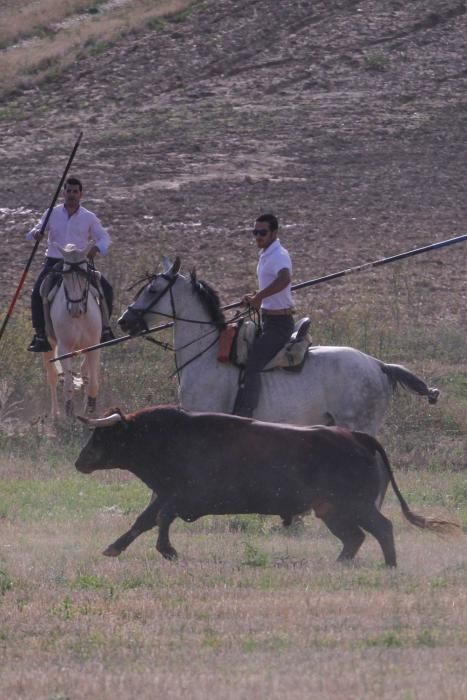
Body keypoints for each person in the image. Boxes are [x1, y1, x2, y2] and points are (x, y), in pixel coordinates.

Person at [25, 176, 115, 352]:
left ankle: (105, 330)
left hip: (80, 262)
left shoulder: (89, 217)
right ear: (63, 192)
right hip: (55, 261)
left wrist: (96, 248)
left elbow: (105, 238)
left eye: (75, 192)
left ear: (81, 194)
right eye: (69, 191)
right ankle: (41, 335)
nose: (72, 195)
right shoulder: (52, 213)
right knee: (37, 293)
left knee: (107, 289)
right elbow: (35, 230)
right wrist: (37, 233)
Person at [233, 213, 294, 417]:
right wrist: (254, 297)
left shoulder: (279, 255)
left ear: (274, 233)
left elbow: (285, 279)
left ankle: (246, 413)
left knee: (253, 361)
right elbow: (271, 287)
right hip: (268, 319)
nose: (258, 236)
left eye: (262, 232)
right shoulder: (267, 254)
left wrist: (259, 296)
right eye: (255, 232)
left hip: (279, 324)